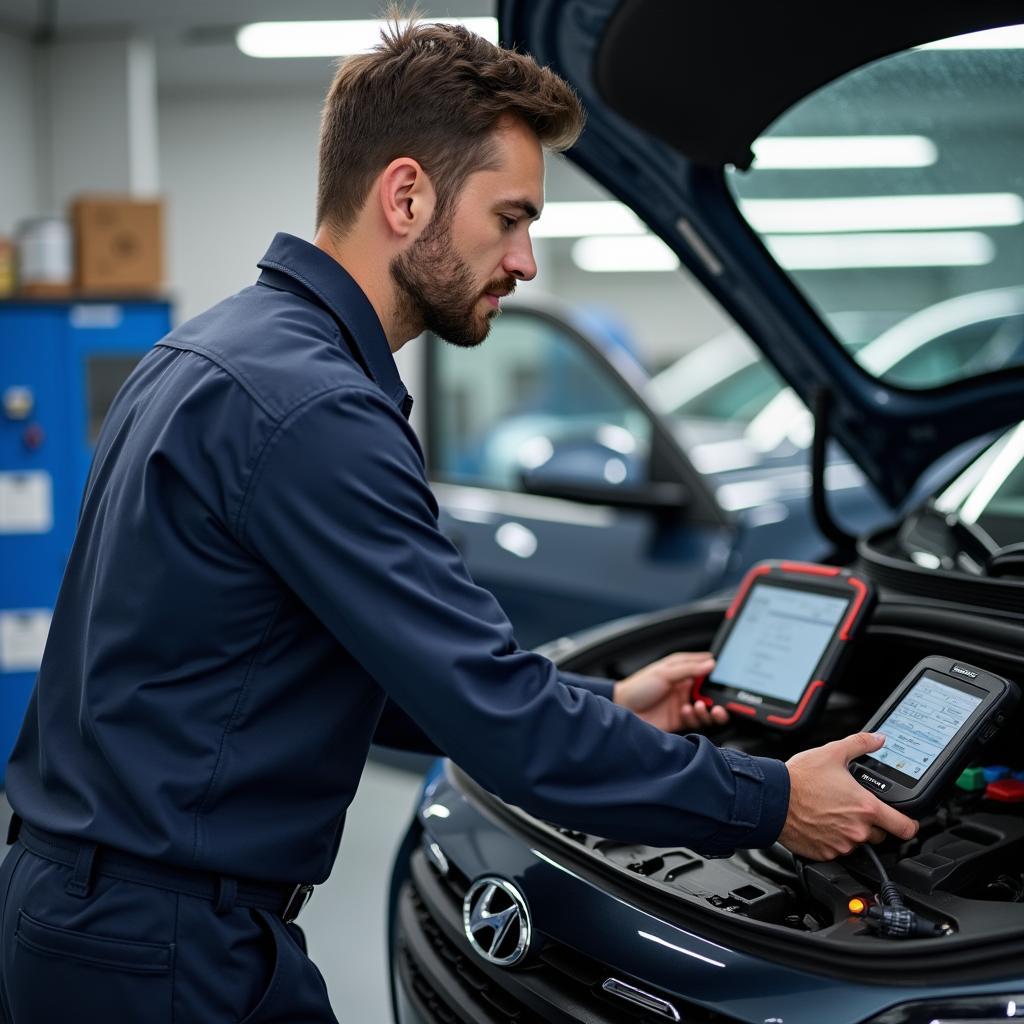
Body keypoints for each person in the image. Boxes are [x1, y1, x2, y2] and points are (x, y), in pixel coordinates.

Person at [0, 16, 916, 1023]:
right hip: (164, 947)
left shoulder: (211, 352)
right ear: (406, 196)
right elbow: (502, 727)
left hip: (102, 913)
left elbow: (308, 664)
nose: (524, 260)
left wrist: (602, 706)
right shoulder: (314, 411)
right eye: (510, 217)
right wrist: (774, 802)